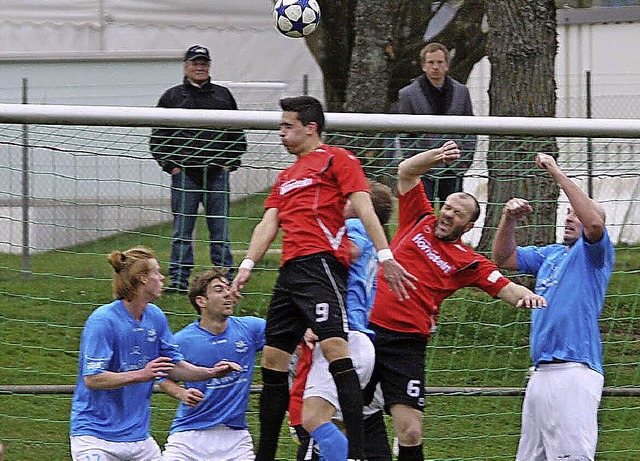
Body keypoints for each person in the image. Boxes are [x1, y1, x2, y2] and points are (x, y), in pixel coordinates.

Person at [231, 95, 416, 461]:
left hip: (321, 266)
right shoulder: (284, 178)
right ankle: (265, 454)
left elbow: (363, 205)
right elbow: (269, 222)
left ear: (310, 127)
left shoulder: (339, 158)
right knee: (272, 359)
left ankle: (358, 451)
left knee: (335, 348)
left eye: (287, 126)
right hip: (290, 271)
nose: (281, 134)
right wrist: (247, 265)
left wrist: (385, 254)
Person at [364, 141, 547, 461]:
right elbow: (406, 172)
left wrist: (528, 296)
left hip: (406, 343)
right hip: (366, 330)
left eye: (458, 212)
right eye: (447, 207)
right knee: (350, 412)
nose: (448, 214)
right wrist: (435, 157)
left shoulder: (466, 261)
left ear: (469, 225)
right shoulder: (418, 217)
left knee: (410, 431)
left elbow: (504, 286)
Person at [491, 153, 615, 461]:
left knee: (572, 456)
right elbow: (503, 258)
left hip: (575, 370)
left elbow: (594, 221)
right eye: (567, 213)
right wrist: (508, 218)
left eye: (577, 214)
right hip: (540, 374)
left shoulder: (594, 255)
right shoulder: (551, 255)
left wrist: (556, 173)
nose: (570, 217)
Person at [69, 246, 241, 461]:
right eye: (156, 272)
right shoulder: (103, 321)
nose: (162, 277)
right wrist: (143, 374)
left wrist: (211, 373)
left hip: (139, 439)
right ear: (142, 278)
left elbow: (174, 366)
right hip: (95, 437)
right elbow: (93, 379)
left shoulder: (155, 316)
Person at [289, 181, 395, 461]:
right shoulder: (372, 234)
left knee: (313, 419)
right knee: (321, 420)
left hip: (346, 337)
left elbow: (350, 251)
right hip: (344, 338)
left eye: (349, 198)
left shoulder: (358, 229)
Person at [150, 44, 247, 292]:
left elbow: (237, 133)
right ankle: (179, 280)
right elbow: (158, 137)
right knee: (182, 230)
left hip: (217, 174)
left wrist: (229, 164)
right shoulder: (171, 97)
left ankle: (223, 279)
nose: (200, 67)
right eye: (195, 62)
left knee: (220, 230)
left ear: (209, 66)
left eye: (204, 62)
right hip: (185, 175)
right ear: (186, 67)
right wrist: (171, 166)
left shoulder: (223, 96)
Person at [160, 268, 266, 461]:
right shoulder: (182, 341)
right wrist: (182, 393)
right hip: (189, 434)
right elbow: (163, 378)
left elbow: (285, 330)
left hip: (235, 436)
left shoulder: (251, 329)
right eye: (219, 290)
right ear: (201, 301)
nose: (227, 294)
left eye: (228, 288)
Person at [397, 42, 476, 205]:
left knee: (454, 216)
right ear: (423, 66)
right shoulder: (408, 94)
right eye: (431, 62)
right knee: (423, 214)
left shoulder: (461, 91)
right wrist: (414, 163)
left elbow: (470, 129)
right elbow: (404, 134)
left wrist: (463, 162)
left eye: (440, 62)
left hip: (453, 167)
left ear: (446, 65)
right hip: (424, 170)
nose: (435, 67)